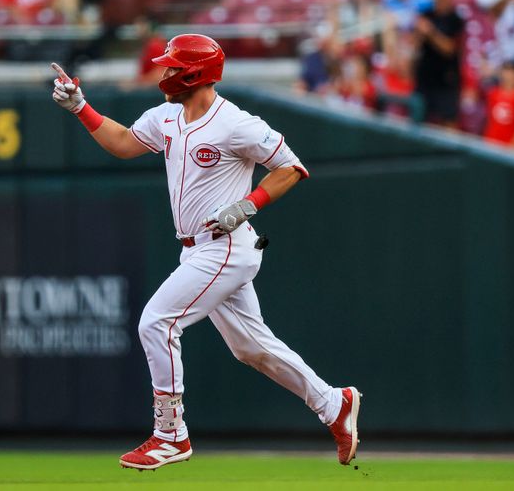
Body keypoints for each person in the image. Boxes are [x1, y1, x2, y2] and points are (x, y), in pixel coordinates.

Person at [50, 34, 361, 470]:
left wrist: (248, 205)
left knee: (157, 322)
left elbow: (292, 167)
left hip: (226, 246)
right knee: (252, 347)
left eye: (173, 66)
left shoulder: (235, 122)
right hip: (197, 250)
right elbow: (122, 144)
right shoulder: (166, 116)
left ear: (195, 73)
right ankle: (334, 404)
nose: (165, 72)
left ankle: (170, 434)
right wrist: (81, 107)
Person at [412, 0, 463, 128]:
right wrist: (419, 33)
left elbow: (449, 48)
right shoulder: (426, 14)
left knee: (448, 120)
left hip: (446, 78)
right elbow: (414, 45)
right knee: (420, 118)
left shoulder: (455, 19)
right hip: (425, 76)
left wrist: (430, 32)